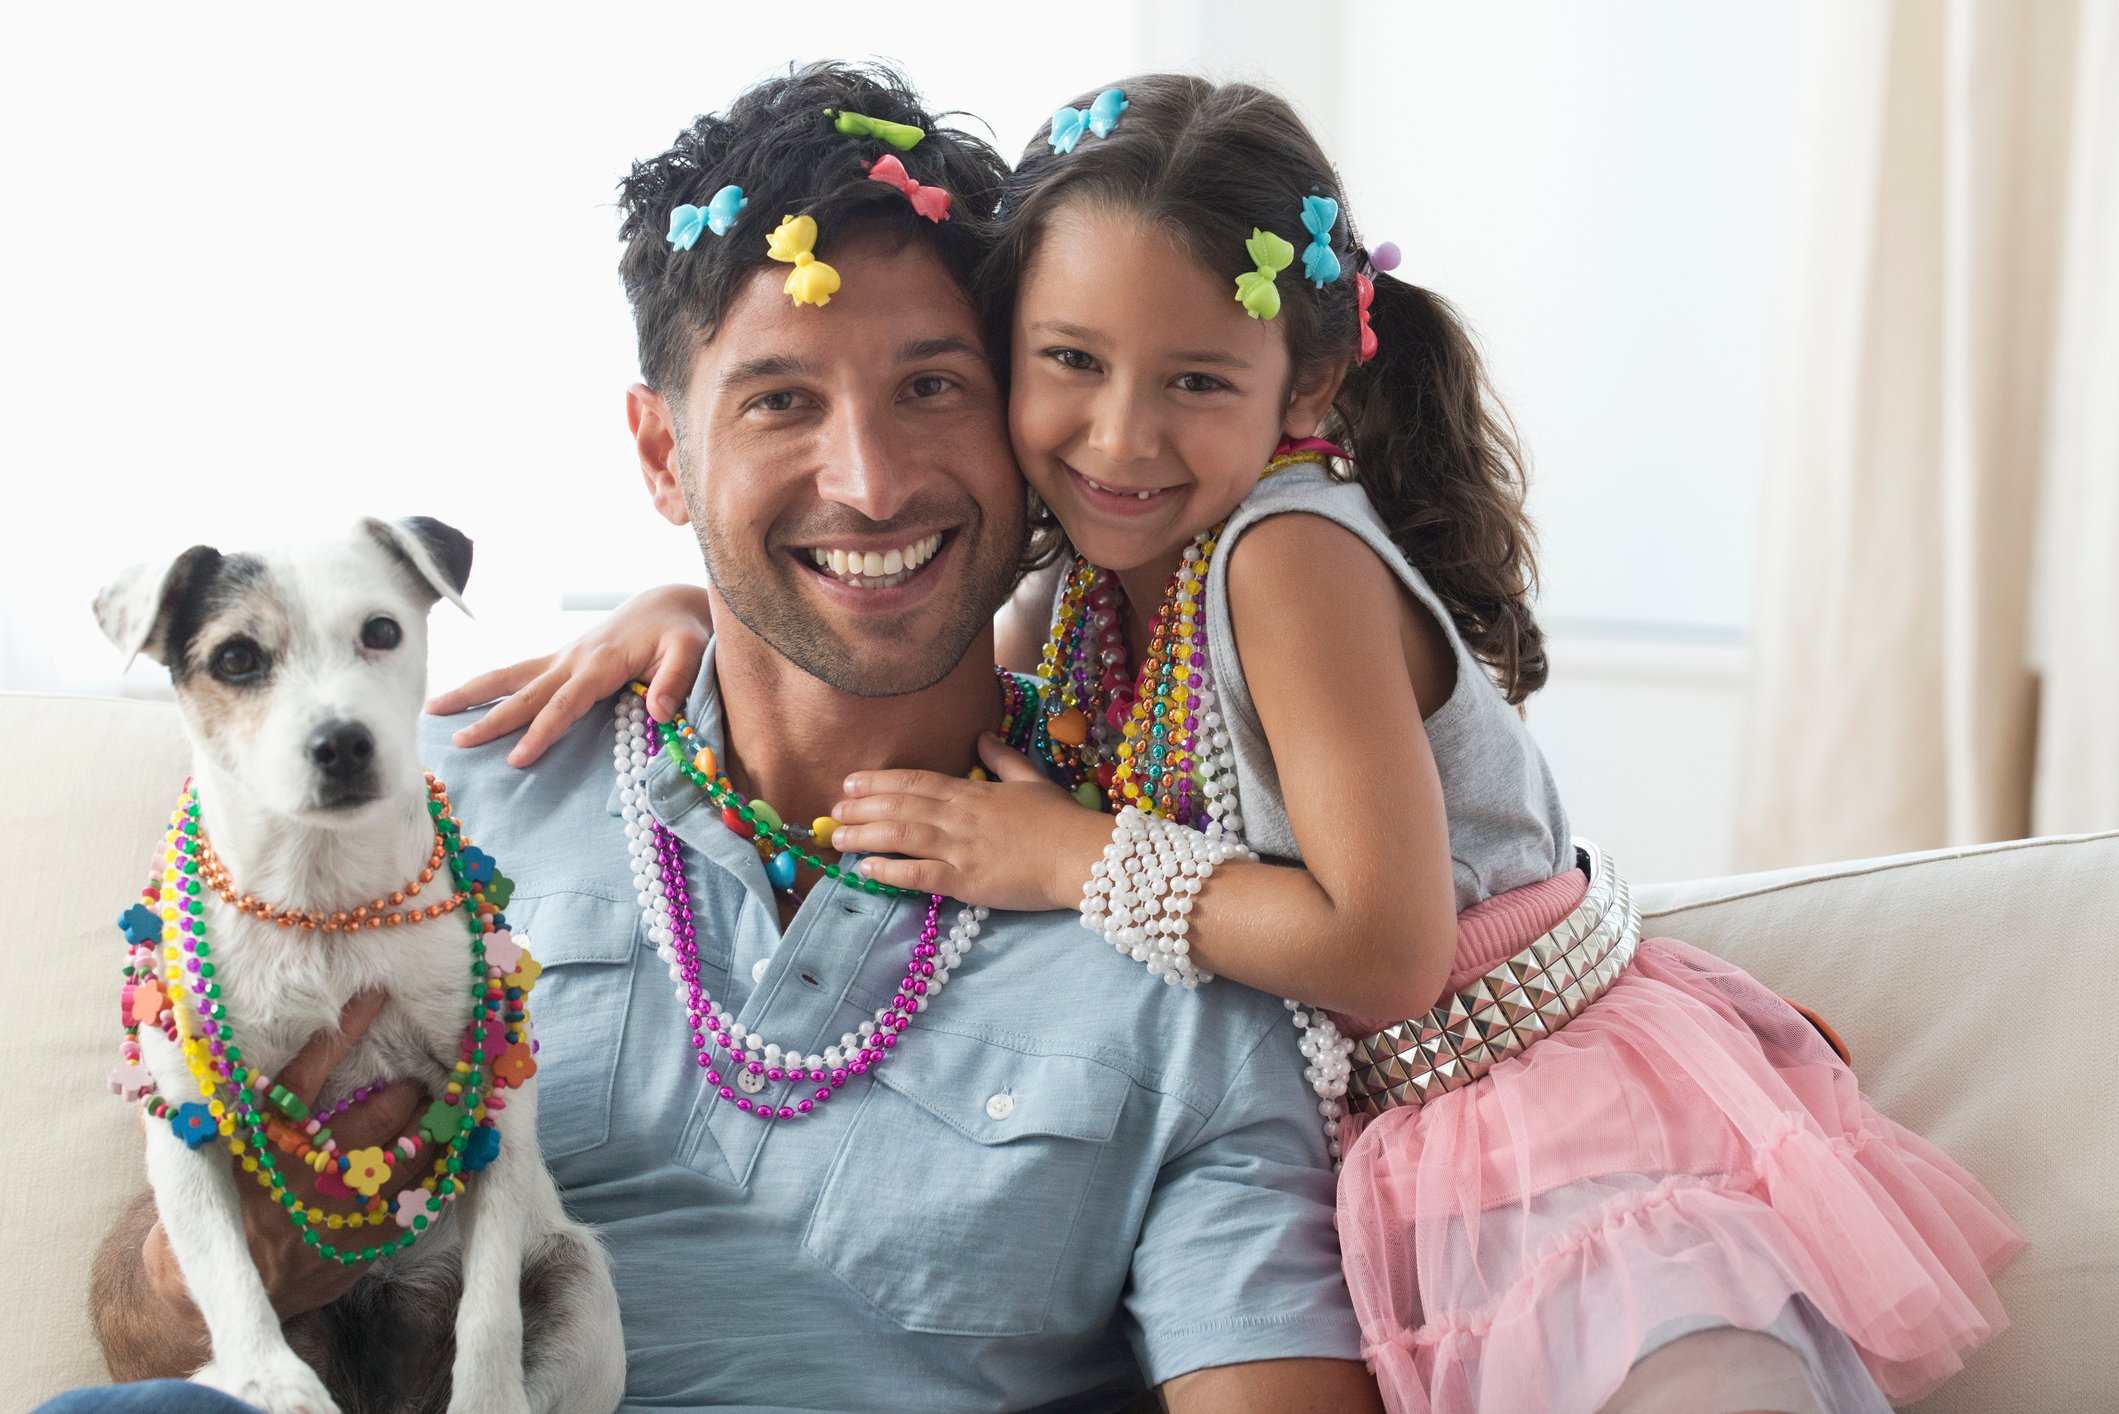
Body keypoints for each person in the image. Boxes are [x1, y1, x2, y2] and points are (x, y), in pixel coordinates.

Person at [456, 72, 2026, 1414]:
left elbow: (1389, 947)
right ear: (665, 451)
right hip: (1419, 1139)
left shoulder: (1277, 567)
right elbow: (889, 637)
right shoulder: (1087, 605)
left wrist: (1073, 860)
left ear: (1308, 380)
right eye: (1073, 365)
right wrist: (693, 602)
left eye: (932, 385)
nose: (1119, 434)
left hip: (1538, 1119)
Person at [63, 63, 1381, 1414]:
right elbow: (147, 1316)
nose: (870, 483)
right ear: (662, 454)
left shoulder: (1178, 942)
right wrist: (225, 1267)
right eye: (779, 401)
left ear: (1027, 425)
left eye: (933, 386)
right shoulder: (426, 815)